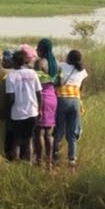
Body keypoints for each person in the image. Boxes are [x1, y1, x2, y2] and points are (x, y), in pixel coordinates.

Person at [4, 45, 41, 162]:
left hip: (17, 113)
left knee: (17, 141)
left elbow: (11, 98)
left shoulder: (11, 76)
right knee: (29, 140)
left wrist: (6, 111)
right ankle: (29, 164)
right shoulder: (33, 73)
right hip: (32, 111)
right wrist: (39, 110)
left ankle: (15, 164)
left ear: (14, 61)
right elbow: (39, 94)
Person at [53, 49, 88, 169]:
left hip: (62, 100)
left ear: (68, 58)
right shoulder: (82, 71)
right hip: (75, 102)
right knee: (72, 134)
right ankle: (72, 160)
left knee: (59, 131)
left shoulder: (62, 66)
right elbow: (81, 88)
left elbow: (55, 78)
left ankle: (55, 158)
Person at [33, 38, 59, 167]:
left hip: (41, 97)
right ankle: (49, 161)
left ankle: (39, 161)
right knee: (49, 133)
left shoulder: (40, 63)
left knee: (39, 132)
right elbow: (60, 82)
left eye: (38, 48)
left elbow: (37, 82)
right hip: (52, 97)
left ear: (42, 49)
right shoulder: (56, 64)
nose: (36, 50)